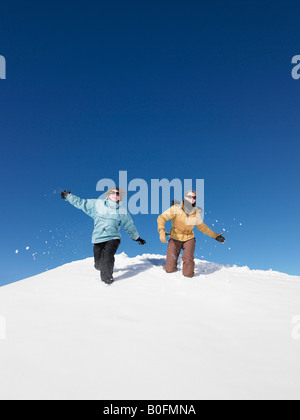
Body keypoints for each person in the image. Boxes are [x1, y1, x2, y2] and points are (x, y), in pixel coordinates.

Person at [61, 187, 146, 285]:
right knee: (98, 264)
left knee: (108, 257)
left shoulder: (122, 210)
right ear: (108, 195)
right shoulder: (98, 204)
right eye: (113, 193)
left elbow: (129, 225)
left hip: (113, 237)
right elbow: (82, 203)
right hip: (98, 237)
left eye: (117, 194)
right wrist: (69, 196)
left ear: (119, 197)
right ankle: (101, 267)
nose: (115, 195)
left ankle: (107, 281)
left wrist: (137, 237)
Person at [157, 190, 225, 278]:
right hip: (175, 237)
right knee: (170, 269)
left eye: (194, 197)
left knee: (188, 270)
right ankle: (171, 265)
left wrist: (215, 236)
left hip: (189, 238)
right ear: (185, 197)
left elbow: (202, 227)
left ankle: (189, 283)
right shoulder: (176, 208)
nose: (192, 199)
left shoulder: (195, 213)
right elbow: (161, 218)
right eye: (190, 197)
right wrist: (161, 231)